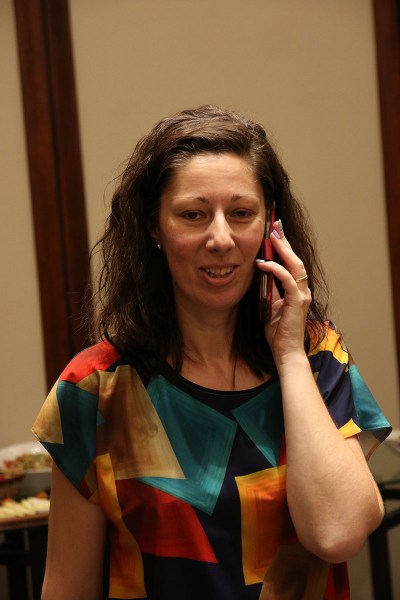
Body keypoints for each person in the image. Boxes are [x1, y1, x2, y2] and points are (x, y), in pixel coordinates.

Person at [33, 105, 391, 600]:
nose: (220, 239)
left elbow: (338, 533)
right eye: (193, 215)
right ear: (154, 228)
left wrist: (289, 356)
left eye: (241, 214)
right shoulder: (95, 389)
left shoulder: (317, 356)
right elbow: (67, 589)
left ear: (270, 227)